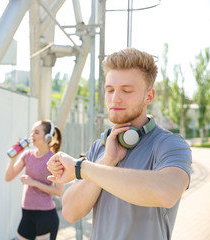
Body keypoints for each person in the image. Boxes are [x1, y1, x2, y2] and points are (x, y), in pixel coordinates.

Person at [46, 48, 192, 240]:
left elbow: (166, 192)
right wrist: (107, 160)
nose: (115, 98)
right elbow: (70, 212)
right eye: (110, 90)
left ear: (149, 96)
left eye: (127, 90)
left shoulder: (170, 144)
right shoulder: (101, 147)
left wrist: (82, 168)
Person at [5, 120, 64, 240]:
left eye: (37, 132)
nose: (32, 135)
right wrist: (13, 158)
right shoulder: (27, 155)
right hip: (27, 212)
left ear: (48, 137)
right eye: (32, 132)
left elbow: (58, 191)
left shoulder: (55, 159)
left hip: (45, 215)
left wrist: (34, 183)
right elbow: (8, 177)